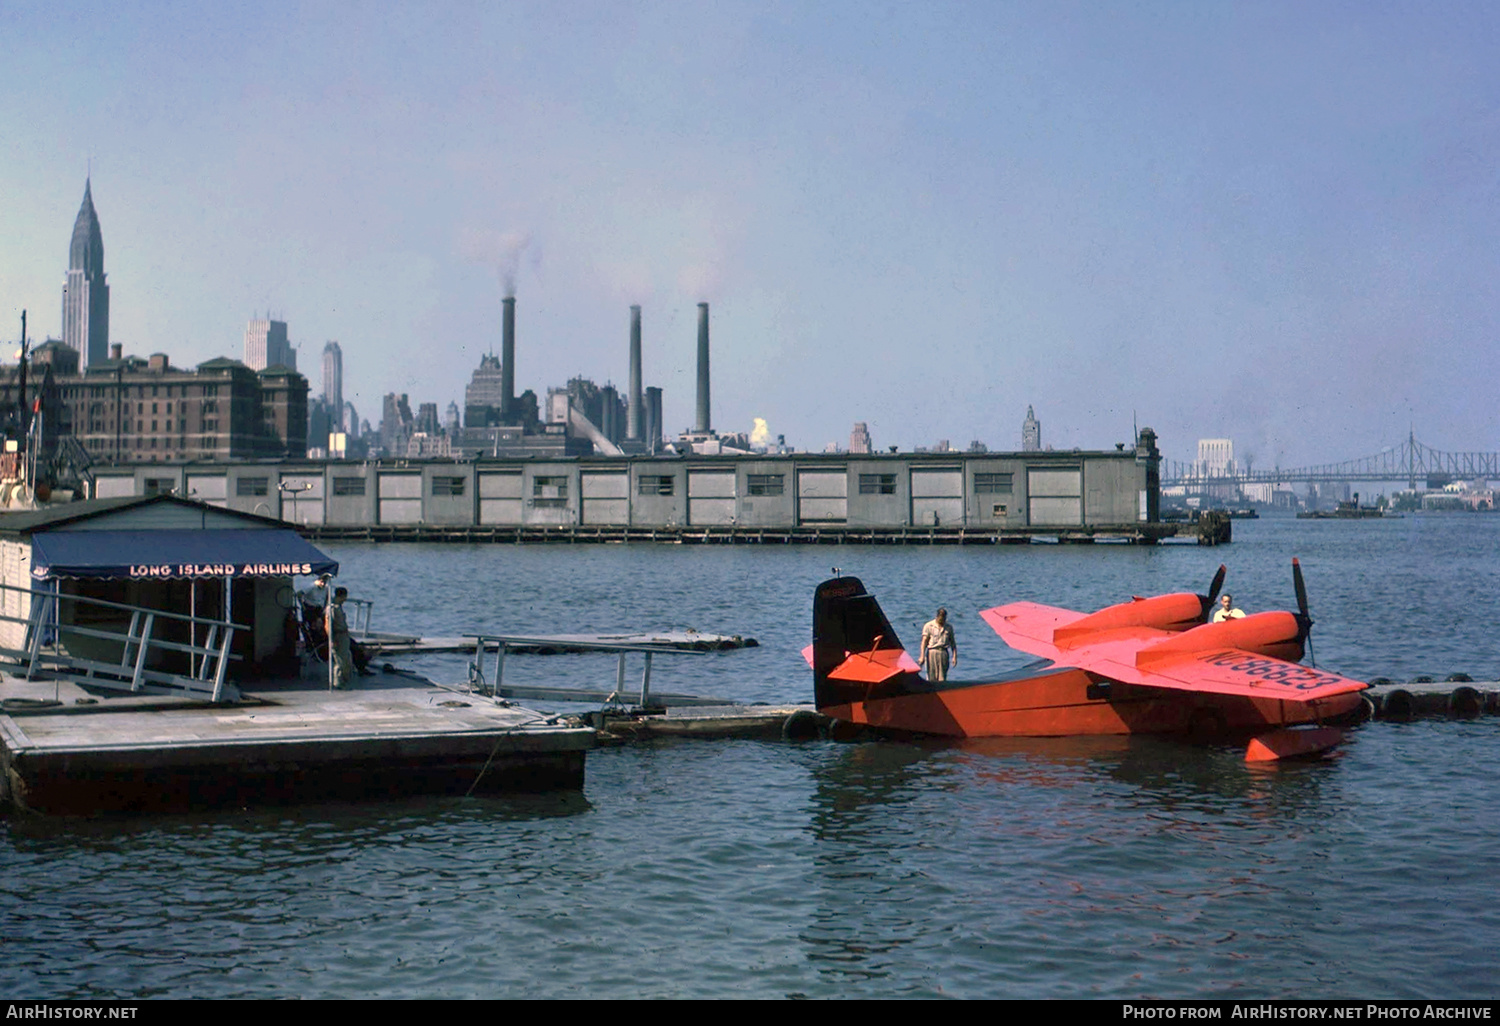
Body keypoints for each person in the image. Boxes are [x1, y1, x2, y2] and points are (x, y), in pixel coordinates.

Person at [326, 586, 355, 689]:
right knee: (340, 661)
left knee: (347, 659)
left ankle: (344, 680)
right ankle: (337, 683)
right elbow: (328, 625)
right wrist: (332, 640)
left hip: (344, 635)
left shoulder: (339, 607)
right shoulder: (332, 608)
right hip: (338, 636)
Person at [920, 607, 958, 681]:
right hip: (932, 652)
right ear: (937, 617)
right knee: (931, 676)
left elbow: (953, 643)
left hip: (943, 652)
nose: (942, 620)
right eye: (940, 618)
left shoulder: (949, 627)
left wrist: (954, 656)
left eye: (944, 618)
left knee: (942, 677)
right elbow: (924, 642)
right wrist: (922, 656)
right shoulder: (929, 626)